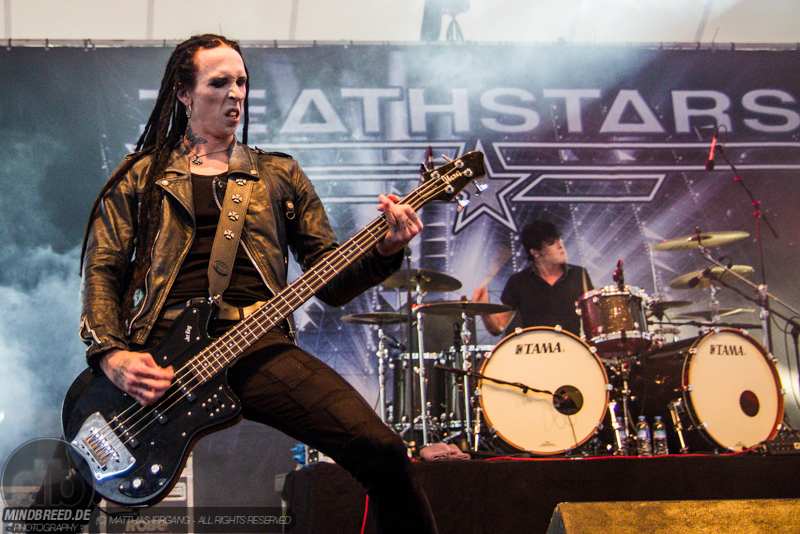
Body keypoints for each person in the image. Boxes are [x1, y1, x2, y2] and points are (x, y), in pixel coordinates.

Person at [73, 34, 437, 534]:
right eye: (219, 82)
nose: (235, 93)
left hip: (256, 342)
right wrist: (113, 357)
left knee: (383, 450)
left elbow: (330, 280)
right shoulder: (139, 175)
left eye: (242, 82)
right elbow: (103, 270)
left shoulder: (278, 173)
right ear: (184, 93)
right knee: (74, 480)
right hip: (162, 349)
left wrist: (386, 250)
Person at [472, 219, 592, 338]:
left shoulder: (579, 274)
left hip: (573, 346)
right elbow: (498, 327)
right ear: (535, 252)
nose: (560, 245)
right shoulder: (518, 282)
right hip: (535, 348)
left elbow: (594, 317)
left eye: (559, 239)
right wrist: (484, 309)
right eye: (551, 243)